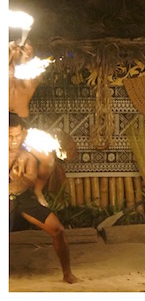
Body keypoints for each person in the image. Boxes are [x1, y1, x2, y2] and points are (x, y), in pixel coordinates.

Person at [9, 115, 78, 284]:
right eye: (9, 136)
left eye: (17, 136)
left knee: (58, 230)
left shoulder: (29, 153)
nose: (14, 141)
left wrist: (24, 183)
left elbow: (34, 174)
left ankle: (67, 273)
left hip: (24, 198)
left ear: (23, 133)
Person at [9, 41, 56, 207]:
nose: (19, 53)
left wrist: (26, 58)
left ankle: (37, 190)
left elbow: (29, 75)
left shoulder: (30, 78)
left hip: (22, 128)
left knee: (48, 159)